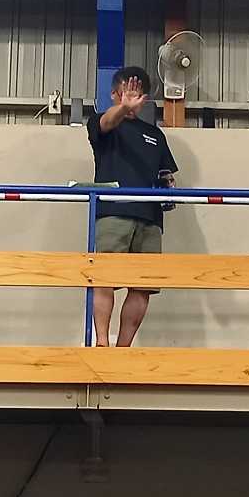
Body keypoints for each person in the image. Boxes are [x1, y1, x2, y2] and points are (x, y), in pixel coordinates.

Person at [86, 67, 179, 347]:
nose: (132, 99)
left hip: (150, 217)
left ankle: (123, 348)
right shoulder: (101, 123)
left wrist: (168, 185)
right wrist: (123, 108)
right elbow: (105, 123)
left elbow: (166, 173)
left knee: (143, 286)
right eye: (126, 93)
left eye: (137, 95)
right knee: (104, 277)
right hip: (113, 211)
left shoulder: (155, 135)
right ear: (114, 94)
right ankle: (102, 343)